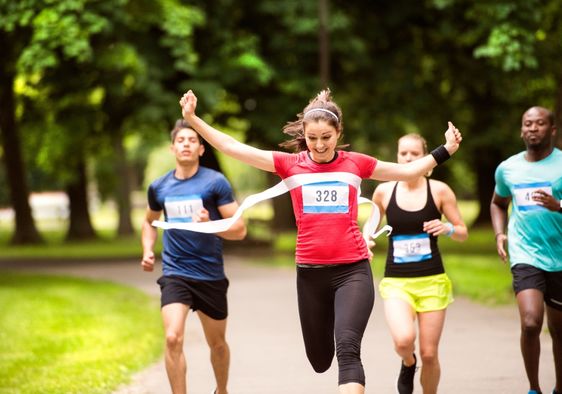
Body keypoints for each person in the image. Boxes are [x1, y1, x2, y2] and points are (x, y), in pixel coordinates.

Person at [178, 88, 462, 394]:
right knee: (319, 360)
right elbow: (234, 147)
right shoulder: (290, 164)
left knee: (348, 350)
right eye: (312, 138)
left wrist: (444, 150)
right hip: (311, 273)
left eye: (326, 137)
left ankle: (399, 367)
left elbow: (406, 171)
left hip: (352, 270)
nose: (319, 145)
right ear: (304, 135)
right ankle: (386, 361)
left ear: (338, 133)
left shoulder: (356, 163)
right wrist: (193, 119)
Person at [141, 119, 247, 394]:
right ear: (172, 148)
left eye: (192, 141)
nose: (186, 145)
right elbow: (148, 221)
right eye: (181, 141)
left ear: (201, 149)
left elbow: (239, 229)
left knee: (218, 345)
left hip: (210, 274)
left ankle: (221, 389)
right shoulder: (159, 187)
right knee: (173, 337)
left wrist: (209, 223)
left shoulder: (215, 182)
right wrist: (147, 250)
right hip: (176, 273)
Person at [367, 133, 468, 394]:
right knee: (403, 341)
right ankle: (408, 362)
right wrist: (367, 240)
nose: (408, 158)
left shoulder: (440, 191)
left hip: (433, 281)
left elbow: (462, 232)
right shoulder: (384, 191)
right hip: (397, 283)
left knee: (430, 353)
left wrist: (446, 228)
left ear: (427, 158)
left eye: (414, 153)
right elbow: (368, 230)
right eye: (403, 153)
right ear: (397, 156)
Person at [490, 106, 562, 394]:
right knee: (532, 322)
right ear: (521, 130)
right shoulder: (508, 168)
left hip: (559, 257)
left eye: (540, 123)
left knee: (559, 330)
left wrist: (559, 206)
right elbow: (498, 202)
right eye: (528, 124)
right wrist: (499, 233)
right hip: (525, 254)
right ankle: (534, 388)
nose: (533, 128)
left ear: (552, 130)